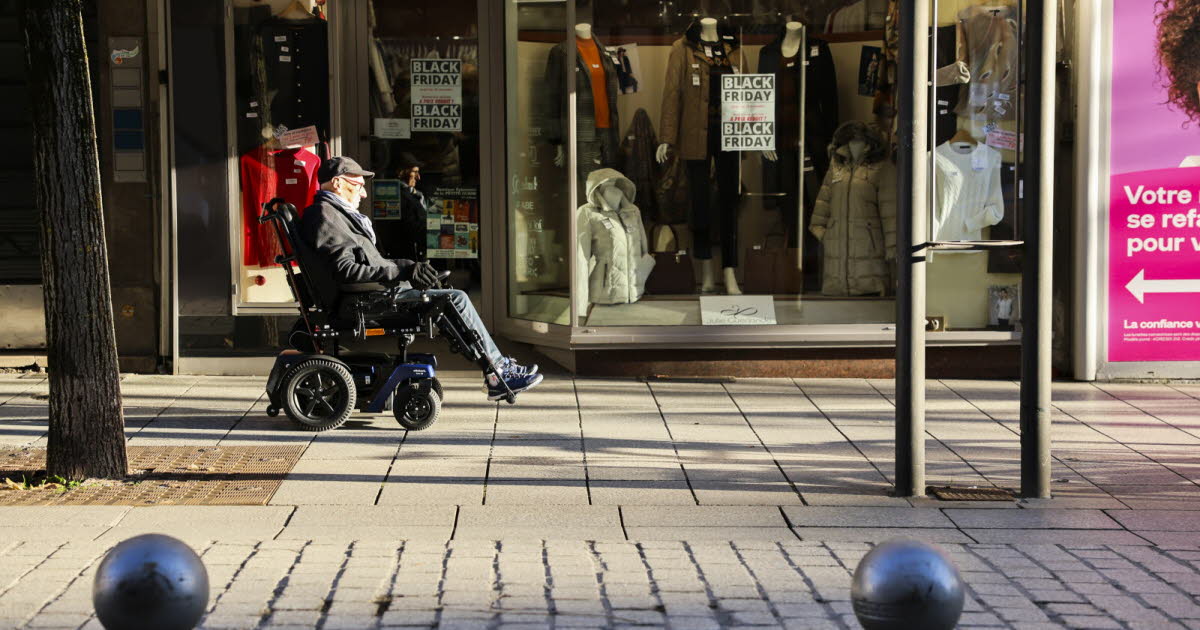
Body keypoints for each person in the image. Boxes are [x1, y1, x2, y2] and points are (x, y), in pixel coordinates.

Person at [300, 156, 542, 401]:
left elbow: (368, 263)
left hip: (373, 292)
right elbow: (346, 272)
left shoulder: (337, 215)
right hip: (365, 300)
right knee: (455, 299)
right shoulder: (325, 216)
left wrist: (409, 267)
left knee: (446, 295)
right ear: (338, 183)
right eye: (359, 185)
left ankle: (495, 370)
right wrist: (402, 273)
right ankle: (498, 372)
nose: (363, 194)